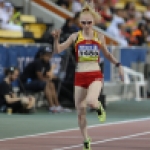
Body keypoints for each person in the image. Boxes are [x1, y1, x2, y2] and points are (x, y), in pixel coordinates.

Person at [52, 1, 124, 150]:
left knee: (91, 101)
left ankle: (98, 107)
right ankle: (86, 139)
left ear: (94, 21)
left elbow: (108, 54)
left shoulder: (99, 36)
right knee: (80, 113)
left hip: (95, 74)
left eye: (89, 22)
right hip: (80, 77)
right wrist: (56, 39)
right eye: (83, 22)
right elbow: (58, 50)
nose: (86, 25)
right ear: (80, 22)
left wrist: (119, 65)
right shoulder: (74, 36)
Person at [20, 46, 63, 113]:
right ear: (41, 55)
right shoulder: (37, 62)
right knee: (46, 83)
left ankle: (57, 106)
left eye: (50, 55)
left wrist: (53, 76)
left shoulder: (47, 63)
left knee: (51, 84)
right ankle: (51, 106)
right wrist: (49, 78)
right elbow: (40, 77)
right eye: (47, 55)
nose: (49, 57)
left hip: (36, 82)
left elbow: (47, 75)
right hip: (26, 83)